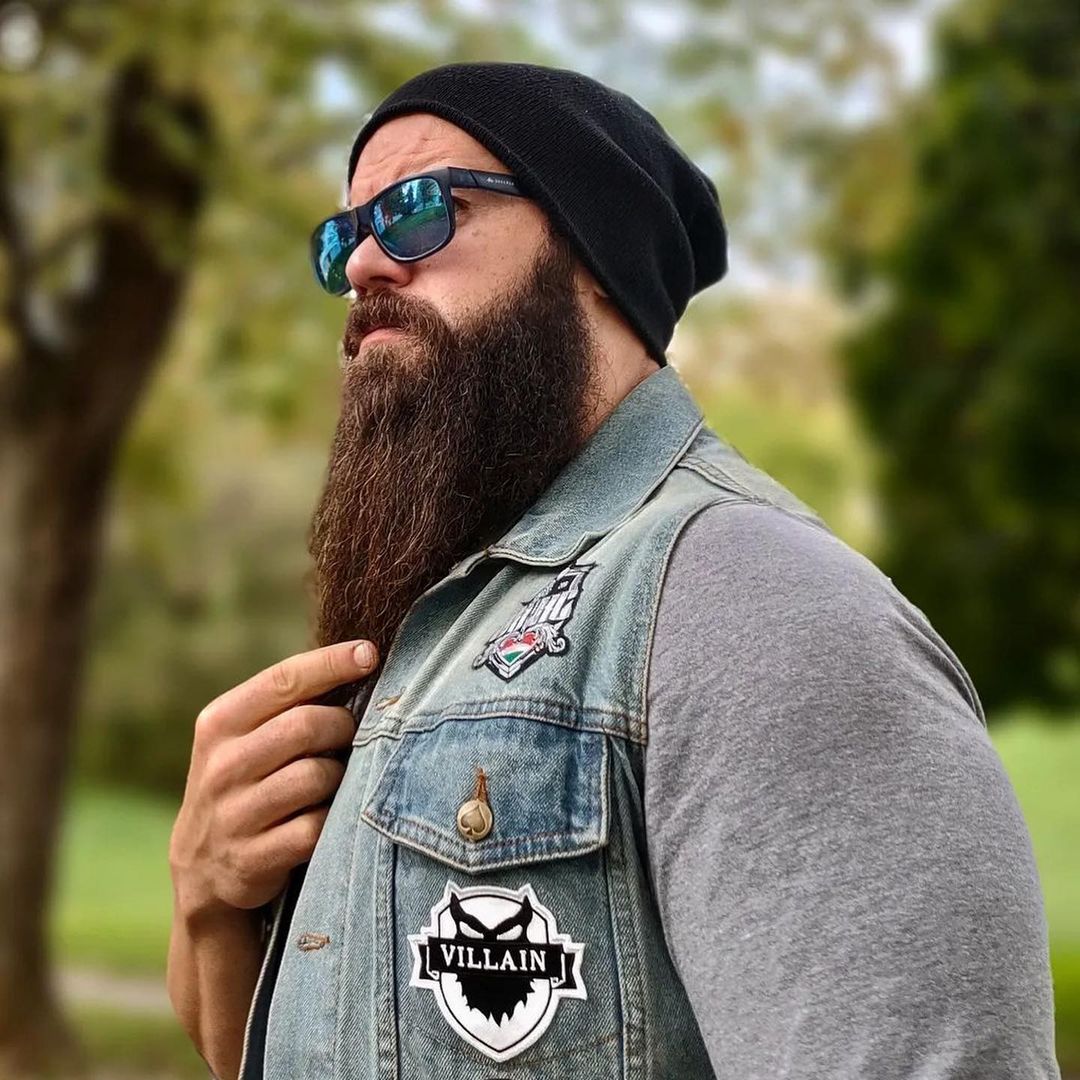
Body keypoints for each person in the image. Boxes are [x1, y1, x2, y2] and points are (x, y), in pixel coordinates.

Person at [166, 61, 1060, 1080]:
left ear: (594, 253)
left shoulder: (754, 603)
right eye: (344, 236)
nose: (365, 263)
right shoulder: (435, 624)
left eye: (418, 211)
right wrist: (208, 903)